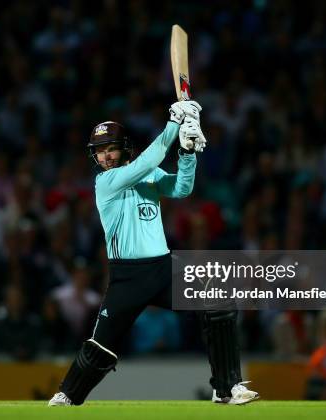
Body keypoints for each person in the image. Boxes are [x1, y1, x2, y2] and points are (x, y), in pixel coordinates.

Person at [48, 101, 258, 406]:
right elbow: (147, 162)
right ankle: (67, 395)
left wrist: (187, 153)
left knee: (219, 303)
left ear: (123, 148)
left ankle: (227, 388)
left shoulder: (147, 174)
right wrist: (174, 124)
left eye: (110, 149)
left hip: (162, 269)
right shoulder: (105, 182)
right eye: (99, 151)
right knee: (101, 347)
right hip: (127, 278)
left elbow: (181, 188)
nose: (105, 156)